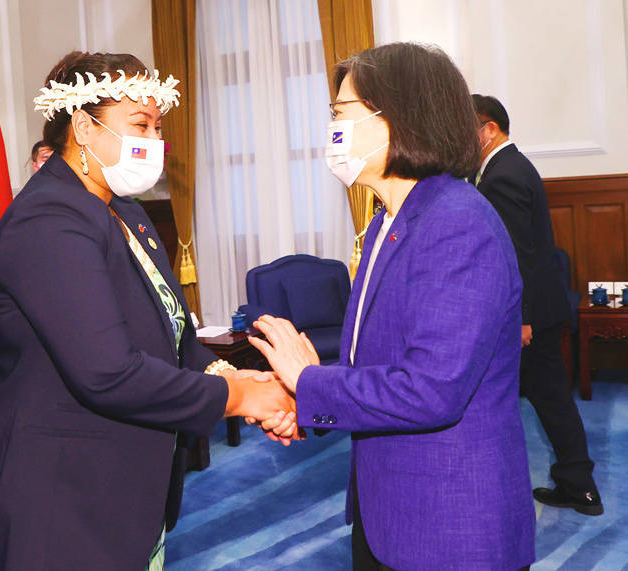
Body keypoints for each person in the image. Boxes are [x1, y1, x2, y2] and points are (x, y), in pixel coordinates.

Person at [0, 51, 295, 570]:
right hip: (57, 492)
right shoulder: (48, 221)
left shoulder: (126, 212)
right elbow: (107, 373)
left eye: (157, 127)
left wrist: (230, 374)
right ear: (84, 128)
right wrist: (243, 394)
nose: (154, 142)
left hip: (123, 481)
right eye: (140, 124)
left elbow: (175, 338)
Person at [249, 43, 535, 570]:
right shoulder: (389, 219)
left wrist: (309, 381)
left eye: (341, 114)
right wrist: (301, 399)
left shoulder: (456, 223)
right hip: (388, 510)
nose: (332, 128)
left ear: (399, 118)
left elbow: (431, 390)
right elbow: (381, 365)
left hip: (448, 526)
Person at [472, 94, 602, 515]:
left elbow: (517, 255)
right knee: (549, 398)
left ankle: (578, 485)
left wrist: (521, 320)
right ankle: (576, 482)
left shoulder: (501, 175)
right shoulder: (510, 166)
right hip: (539, 309)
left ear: (488, 129)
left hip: (528, 316)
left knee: (546, 399)